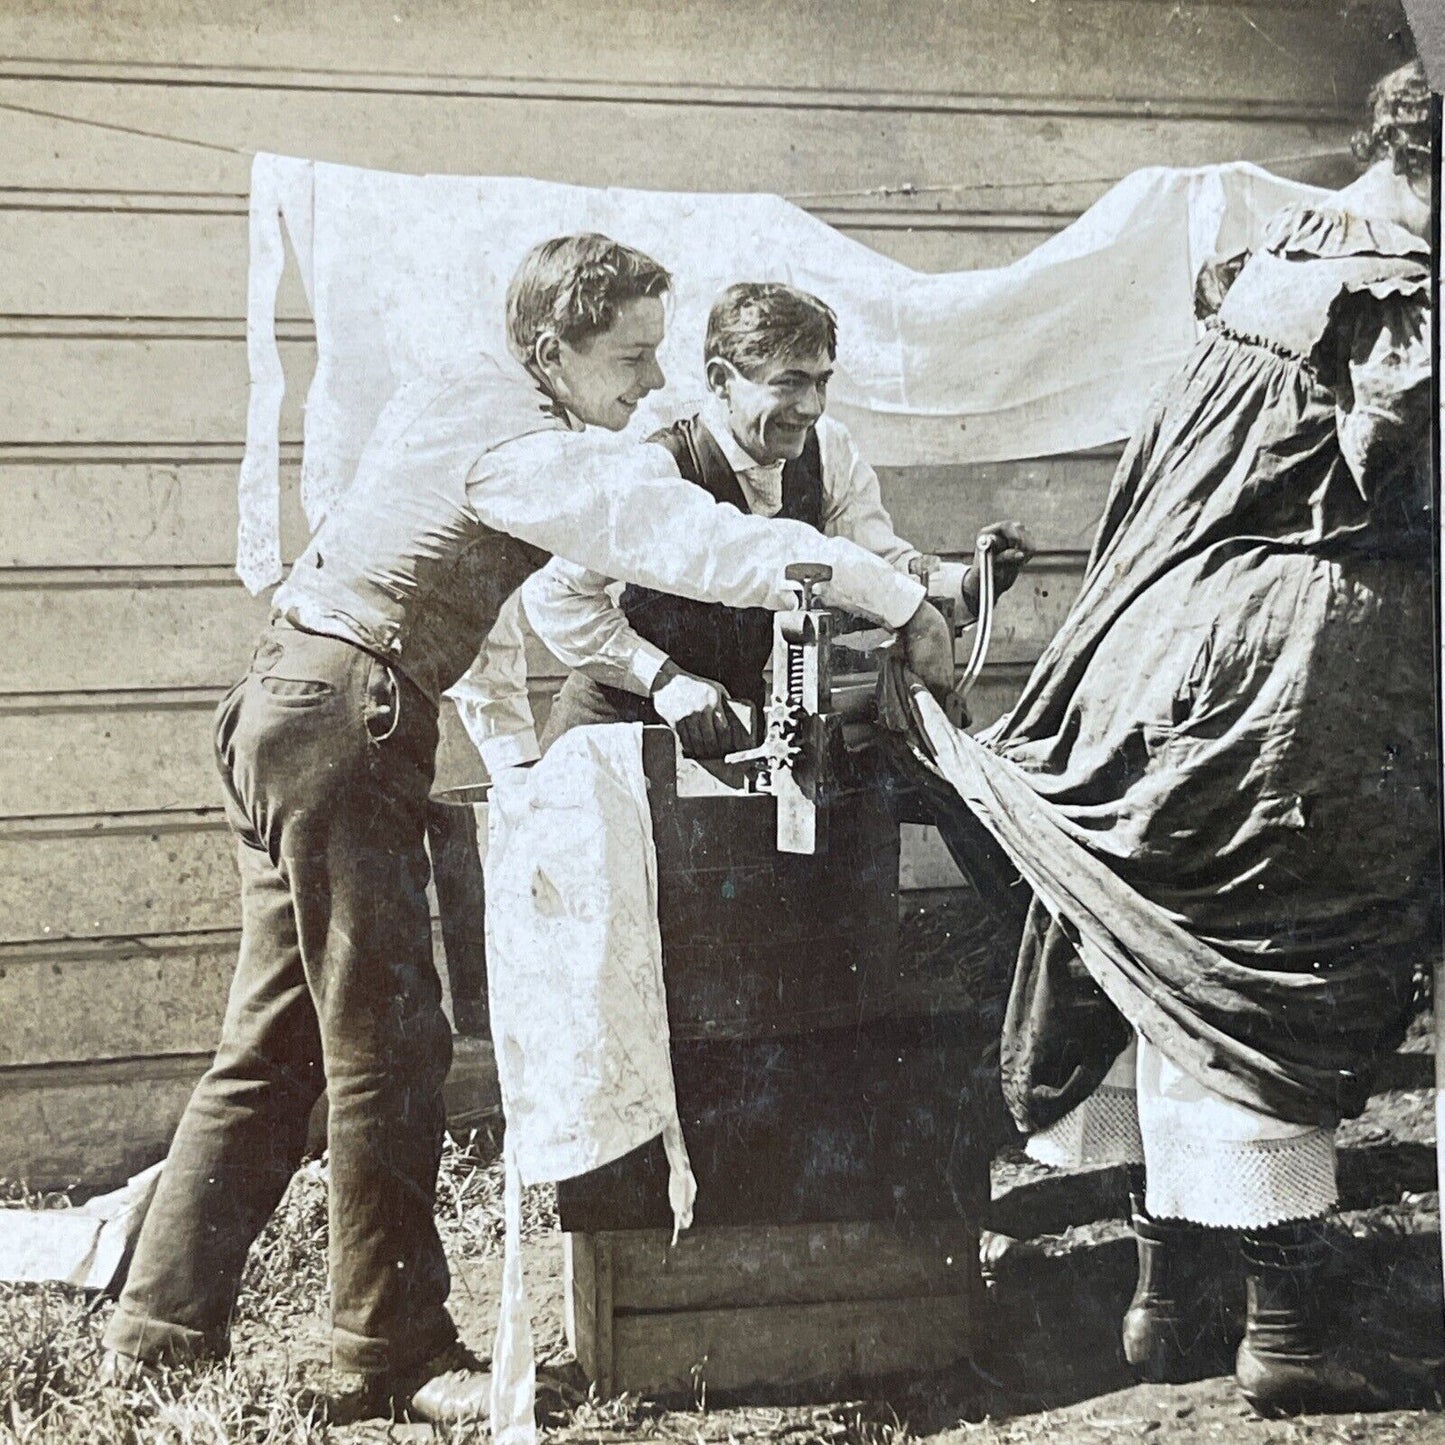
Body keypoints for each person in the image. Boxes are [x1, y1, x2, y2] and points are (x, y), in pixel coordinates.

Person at [97, 234, 956, 1424]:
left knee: (278, 1036)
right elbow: (690, 540)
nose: (651, 385)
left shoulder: (465, 391)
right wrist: (899, 596)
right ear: (549, 349)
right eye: (630, 357)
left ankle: (156, 1330)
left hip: (284, 703)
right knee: (389, 1046)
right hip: (345, 719)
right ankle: (381, 1350)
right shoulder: (525, 448)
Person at [941, 59, 1435, 1416]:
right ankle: (1286, 1334)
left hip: (1159, 640)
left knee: (1174, 962)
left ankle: (1167, 1300)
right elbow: (1398, 467)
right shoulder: (1403, 300)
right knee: (1283, 961)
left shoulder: (1278, 256)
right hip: (1298, 660)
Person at [515, 281, 1029, 760]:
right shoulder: (655, 464)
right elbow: (553, 596)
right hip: (614, 740)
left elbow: (876, 566)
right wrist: (663, 679)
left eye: (821, 382)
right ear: (722, 381)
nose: (810, 407)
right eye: (789, 383)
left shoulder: (829, 453)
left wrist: (968, 586)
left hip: (732, 741)